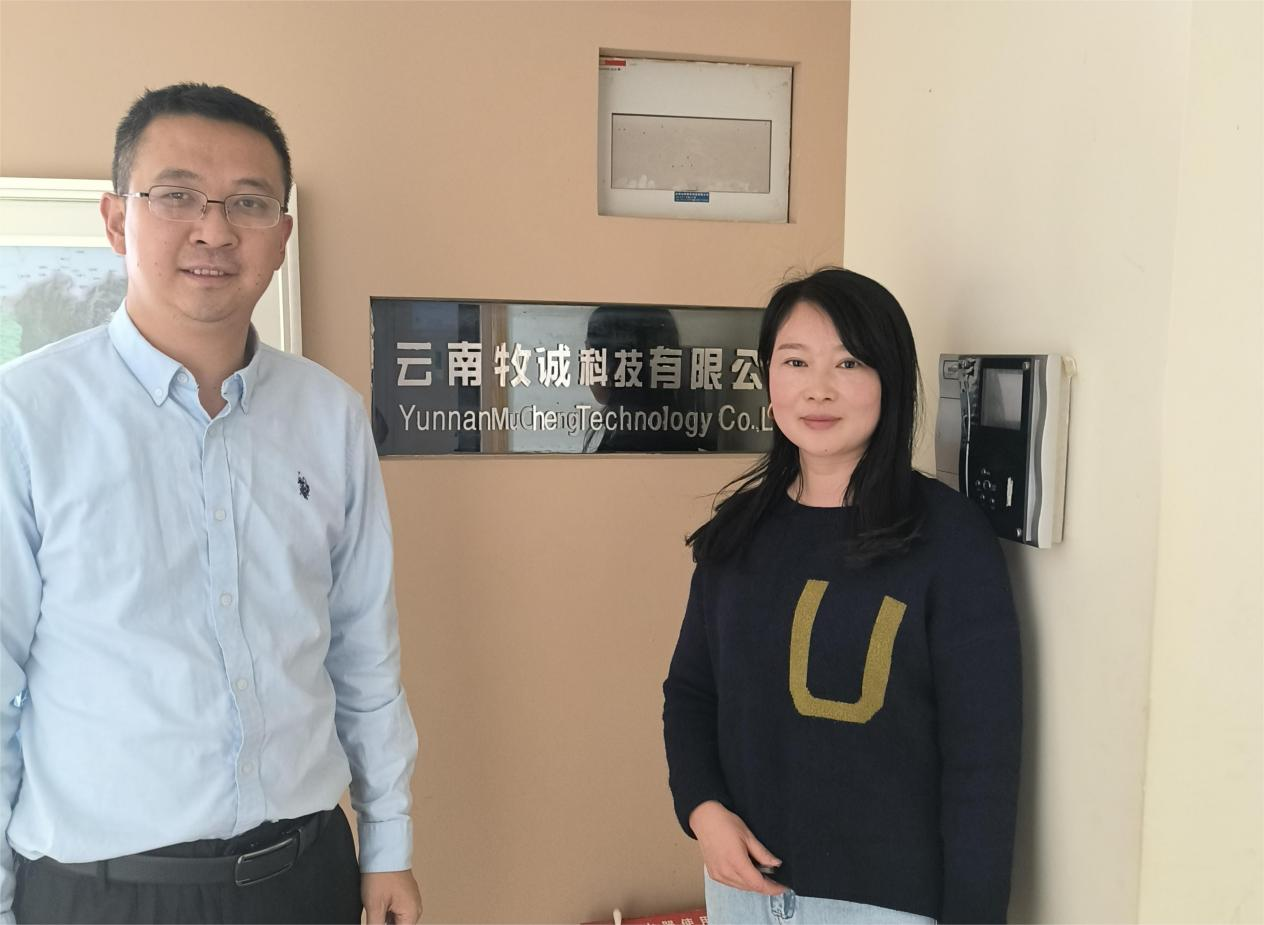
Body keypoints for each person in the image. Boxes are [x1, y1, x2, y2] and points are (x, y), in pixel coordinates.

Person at [0, 84, 421, 924]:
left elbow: (363, 650)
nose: (215, 230)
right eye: (178, 195)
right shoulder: (26, 417)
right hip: (99, 896)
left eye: (249, 203)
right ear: (117, 220)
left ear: (281, 237)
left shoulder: (331, 416)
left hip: (303, 878)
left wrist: (388, 843)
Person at [662, 268, 1022, 924]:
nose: (818, 388)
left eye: (849, 362)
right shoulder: (739, 530)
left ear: (891, 378)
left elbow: (982, 761)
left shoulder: (948, 538)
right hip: (744, 895)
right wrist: (703, 810)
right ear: (768, 378)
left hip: (887, 906)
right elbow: (691, 692)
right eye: (795, 361)